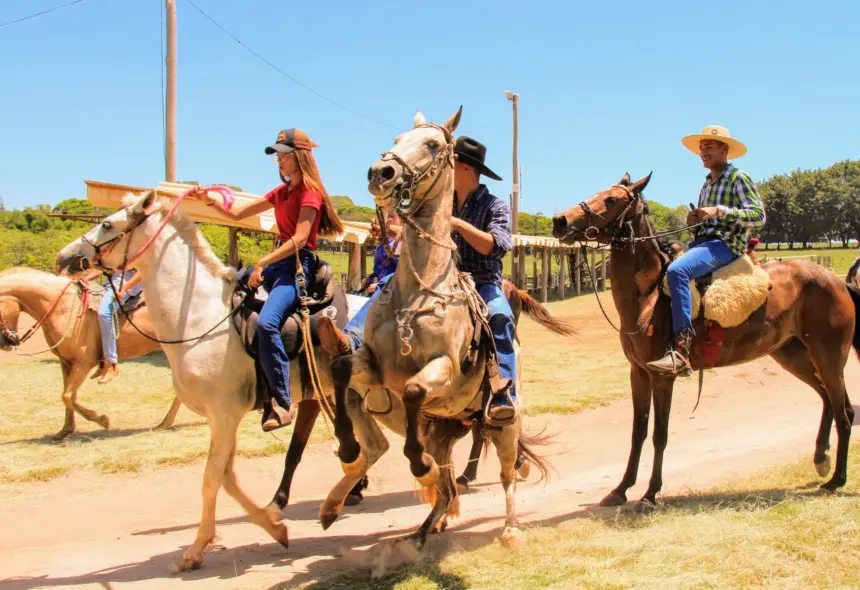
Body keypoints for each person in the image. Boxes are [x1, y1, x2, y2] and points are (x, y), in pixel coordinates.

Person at [318, 136, 519, 426]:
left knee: (500, 315)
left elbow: (496, 245)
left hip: (481, 279)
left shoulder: (494, 205)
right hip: (435, 276)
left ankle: (503, 391)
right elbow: (414, 233)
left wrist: (457, 223)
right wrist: (390, 233)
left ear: (461, 166)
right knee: (387, 289)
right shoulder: (436, 200)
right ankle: (352, 341)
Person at [189, 128, 344, 431]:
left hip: (298, 266)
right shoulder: (280, 192)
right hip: (276, 264)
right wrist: (208, 199)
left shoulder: (309, 193)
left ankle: (282, 402)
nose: (279, 162)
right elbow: (237, 214)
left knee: (268, 322)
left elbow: (300, 239)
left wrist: (262, 262)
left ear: (299, 157)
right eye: (277, 157)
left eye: (284, 156)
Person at [648, 125, 766, 376]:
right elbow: (705, 224)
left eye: (709, 146)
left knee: (678, 271)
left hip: (726, 245)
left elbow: (758, 216)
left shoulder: (738, 177)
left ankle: (682, 349)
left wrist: (719, 211)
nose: (703, 151)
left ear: (724, 149)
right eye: (701, 148)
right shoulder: (706, 185)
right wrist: (695, 221)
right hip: (704, 243)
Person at [94, 269, 143, 384]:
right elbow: (104, 268)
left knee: (104, 314)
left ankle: (111, 364)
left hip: (124, 287)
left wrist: (124, 288)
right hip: (111, 283)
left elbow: (141, 272)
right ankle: (102, 363)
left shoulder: (136, 252)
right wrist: (83, 278)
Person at [356, 211, 402, 296]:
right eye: (387, 217)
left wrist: (380, 285)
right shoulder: (383, 243)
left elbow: (403, 271)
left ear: (401, 221)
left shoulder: (402, 243)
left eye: (392, 216)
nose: (388, 219)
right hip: (378, 291)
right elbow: (378, 269)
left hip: (392, 292)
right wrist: (369, 280)